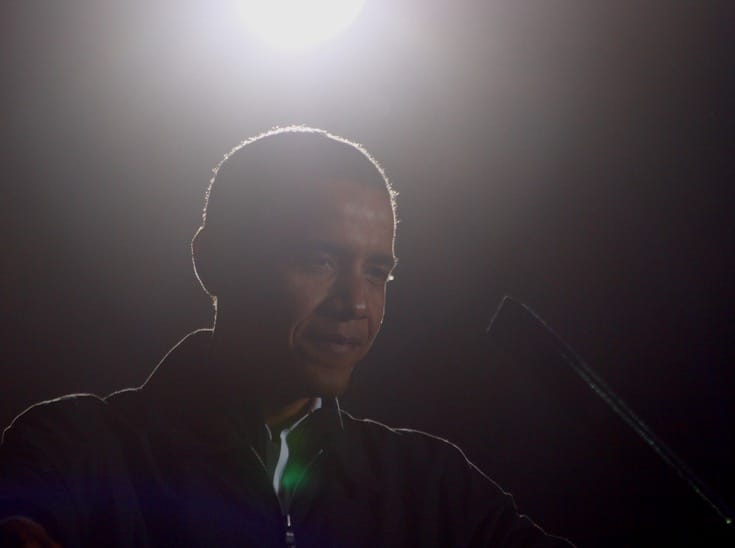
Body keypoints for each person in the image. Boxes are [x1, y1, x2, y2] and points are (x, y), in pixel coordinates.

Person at [0, 127, 573, 547]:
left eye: (377, 272)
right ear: (214, 260)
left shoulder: (430, 484)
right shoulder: (77, 451)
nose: (355, 304)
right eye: (317, 259)